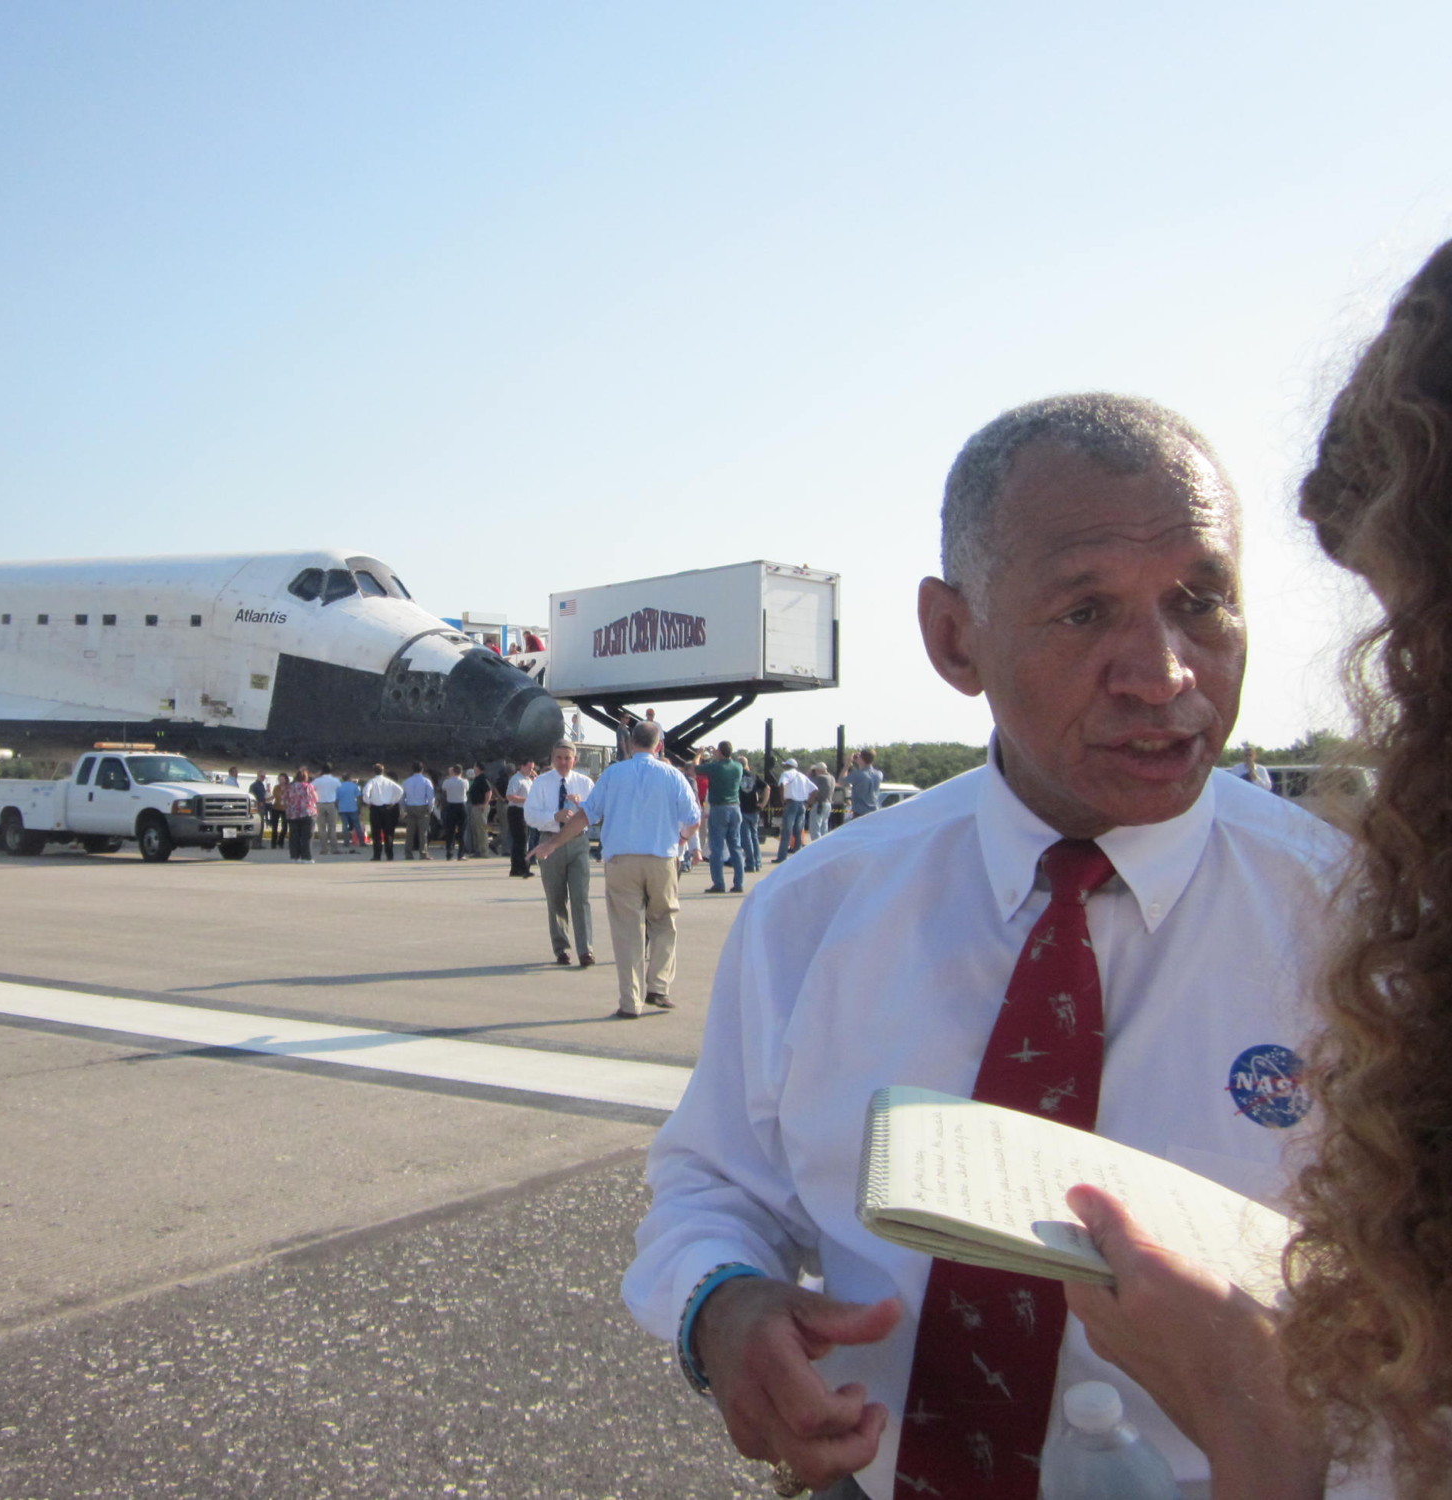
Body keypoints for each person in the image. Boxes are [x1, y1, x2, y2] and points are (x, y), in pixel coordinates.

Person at [620, 393, 1347, 1500]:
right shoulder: (815, 913)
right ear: (954, 638)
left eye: (1201, 602)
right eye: (1084, 612)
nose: (1161, 674)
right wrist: (720, 1301)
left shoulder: (1361, 930)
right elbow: (712, 1182)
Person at [1061, 183, 1452, 1500]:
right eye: (1085, 610)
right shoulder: (827, 905)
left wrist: (1242, 1403)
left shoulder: (1334, 900)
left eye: (1441, 647)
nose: (1419, 718)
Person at [532, 719, 698, 1018]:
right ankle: (658, 988)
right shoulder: (673, 775)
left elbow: (586, 815)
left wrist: (553, 843)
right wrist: (684, 840)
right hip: (661, 859)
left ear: (631, 743)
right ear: (659, 746)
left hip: (621, 861)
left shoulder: (613, 774)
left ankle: (629, 1002)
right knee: (664, 923)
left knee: (627, 931)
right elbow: (693, 817)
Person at [525, 742, 596, 966]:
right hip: (550, 841)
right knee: (556, 898)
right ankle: (561, 947)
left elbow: (596, 814)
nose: (564, 762)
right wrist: (554, 816)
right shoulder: (541, 783)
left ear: (575, 759)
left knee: (580, 897)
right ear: (552, 759)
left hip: (578, 843)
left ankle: (586, 949)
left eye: (568, 758)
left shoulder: (584, 783)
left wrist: (580, 805)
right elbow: (530, 815)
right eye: (559, 758)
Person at [701, 741, 744, 894]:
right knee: (736, 847)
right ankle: (739, 883)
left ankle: (719, 883)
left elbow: (694, 768)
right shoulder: (738, 766)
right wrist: (716, 754)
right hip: (735, 807)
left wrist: (699, 754)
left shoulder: (715, 767)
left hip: (719, 808)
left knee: (717, 848)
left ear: (720, 752)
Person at [774, 759, 815, 862]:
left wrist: (783, 800)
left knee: (787, 831)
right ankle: (798, 857)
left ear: (788, 766)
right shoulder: (802, 776)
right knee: (798, 831)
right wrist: (808, 803)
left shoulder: (786, 774)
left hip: (791, 803)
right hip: (802, 804)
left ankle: (782, 857)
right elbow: (814, 789)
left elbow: (782, 784)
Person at [504, 759, 536, 877]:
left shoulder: (529, 780)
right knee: (520, 840)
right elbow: (510, 796)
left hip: (526, 811)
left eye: (533, 768)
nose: (531, 770)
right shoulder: (516, 779)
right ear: (522, 766)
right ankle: (522, 868)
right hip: (516, 811)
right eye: (529, 768)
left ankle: (516, 868)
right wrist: (526, 800)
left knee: (523, 839)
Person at [362, 764, 402, 860]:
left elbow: (365, 792)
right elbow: (400, 790)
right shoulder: (388, 782)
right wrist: (393, 801)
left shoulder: (372, 781)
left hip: (376, 809)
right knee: (388, 833)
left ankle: (377, 855)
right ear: (383, 771)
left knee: (376, 833)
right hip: (387, 809)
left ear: (374, 771)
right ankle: (389, 855)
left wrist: (368, 801)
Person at [402, 761, 436, 860]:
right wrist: (430, 808)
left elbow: (402, 796)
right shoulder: (426, 781)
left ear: (412, 770)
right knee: (423, 832)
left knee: (410, 832)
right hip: (422, 807)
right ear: (422, 769)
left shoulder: (406, 781)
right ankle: (423, 853)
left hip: (410, 807)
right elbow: (431, 797)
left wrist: (403, 808)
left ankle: (408, 853)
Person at [283, 768, 317, 863]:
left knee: (294, 836)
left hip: (293, 814)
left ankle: (294, 856)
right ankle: (307, 857)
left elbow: (284, 799)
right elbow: (315, 798)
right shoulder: (308, 786)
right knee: (307, 836)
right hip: (307, 813)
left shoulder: (290, 787)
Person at [439, 765, 469, 860]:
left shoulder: (447, 782)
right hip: (461, 806)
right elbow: (467, 789)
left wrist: (450, 775)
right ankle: (461, 853)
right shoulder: (464, 782)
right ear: (461, 772)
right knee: (462, 830)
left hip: (451, 806)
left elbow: (443, 788)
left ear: (453, 772)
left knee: (450, 830)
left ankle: (449, 852)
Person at [312, 763, 342, 854]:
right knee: (332, 827)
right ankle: (334, 848)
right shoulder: (335, 780)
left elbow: (310, 788)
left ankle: (324, 848)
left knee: (321, 827)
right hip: (331, 804)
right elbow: (339, 789)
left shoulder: (317, 781)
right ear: (331, 771)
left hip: (319, 804)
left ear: (321, 771)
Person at [465, 764, 493, 858]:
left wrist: (485, 804)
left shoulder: (483, 778)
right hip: (475, 806)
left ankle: (484, 852)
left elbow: (489, 791)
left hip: (481, 807)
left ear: (479, 768)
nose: (474, 768)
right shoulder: (477, 778)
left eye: (475, 766)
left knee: (481, 830)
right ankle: (478, 850)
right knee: (476, 829)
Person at [846, 749, 882, 819]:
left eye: (858, 756)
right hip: (874, 811)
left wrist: (846, 765)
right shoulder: (879, 774)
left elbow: (841, 781)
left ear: (861, 759)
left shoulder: (859, 775)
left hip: (860, 813)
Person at [807, 762, 836, 842]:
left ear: (819, 770)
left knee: (815, 828)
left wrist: (809, 773)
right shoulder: (832, 778)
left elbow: (808, 781)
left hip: (819, 804)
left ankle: (816, 846)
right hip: (828, 804)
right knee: (824, 827)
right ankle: (825, 845)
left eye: (815, 770)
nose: (814, 772)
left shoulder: (820, 778)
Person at [335, 771, 364, 849]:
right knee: (357, 825)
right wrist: (359, 807)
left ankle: (346, 842)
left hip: (342, 809)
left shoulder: (339, 787)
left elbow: (336, 799)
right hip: (353, 808)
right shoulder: (354, 786)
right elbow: (359, 797)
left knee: (345, 826)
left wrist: (337, 808)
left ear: (342, 778)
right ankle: (362, 841)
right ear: (349, 778)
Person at [267, 773, 288, 849]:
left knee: (285, 827)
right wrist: (266, 800)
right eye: (279, 779)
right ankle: (273, 843)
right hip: (276, 808)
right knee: (274, 827)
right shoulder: (276, 787)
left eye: (282, 779)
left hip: (285, 809)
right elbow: (274, 796)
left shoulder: (289, 788)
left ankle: (281, 841)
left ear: (286, 780)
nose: (281, 781)